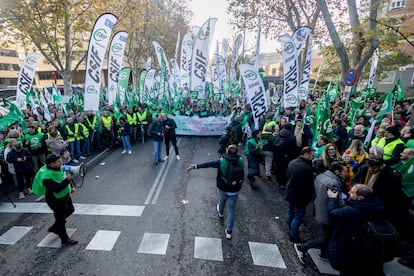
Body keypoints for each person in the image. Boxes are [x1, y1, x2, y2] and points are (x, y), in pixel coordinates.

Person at [186, 144, 244, 240]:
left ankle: (220, 212)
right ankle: (229, 232)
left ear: (227, 151)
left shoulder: (222, 161)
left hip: (223, 187)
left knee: (221, 200)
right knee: (231, 210)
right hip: (235, 188)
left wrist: (195, 166)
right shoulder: (240, 160)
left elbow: (208, 164)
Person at [327, 184, 386, 275]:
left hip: (349, 249)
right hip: (369, 250)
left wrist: (332, 199)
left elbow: (332, 212)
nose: (349, 192)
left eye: (352, 192)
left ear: (360, 197)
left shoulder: (352, 211)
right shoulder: (377, 206)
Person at [294, 162, 347, 263]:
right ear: (337, 171)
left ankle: (323, 254)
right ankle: (302, 247)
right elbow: (336, 201)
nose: (346, 174)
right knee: (327, 237)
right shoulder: (333, 183)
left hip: (320, 207)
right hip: (328, 213)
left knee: (327, 235)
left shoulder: (322, 176)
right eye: (344, 171)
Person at [32, 154, 78, 245]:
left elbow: (63, 175)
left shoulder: (59, 167)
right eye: (58, 161)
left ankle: (55, 227)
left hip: (65, 194)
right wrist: (68, 179)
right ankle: (65, 239)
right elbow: (57, 189)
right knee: (60, 219)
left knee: (70, 210)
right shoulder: (46, 176)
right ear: (51, 164)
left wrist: (71, 186)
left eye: (60, 160)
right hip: (55, 199)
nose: (61, 162)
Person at [285, 146, 315, 243]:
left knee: (290, 212)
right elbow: (310, 185)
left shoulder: (293, 162)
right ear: (306, 155)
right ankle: (293, 235)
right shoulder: (307, 169)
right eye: (312, 156)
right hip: (301, 196)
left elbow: (287, 174)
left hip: (291, 192)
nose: (313, 158)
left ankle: (290, 230)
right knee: (298, 216)